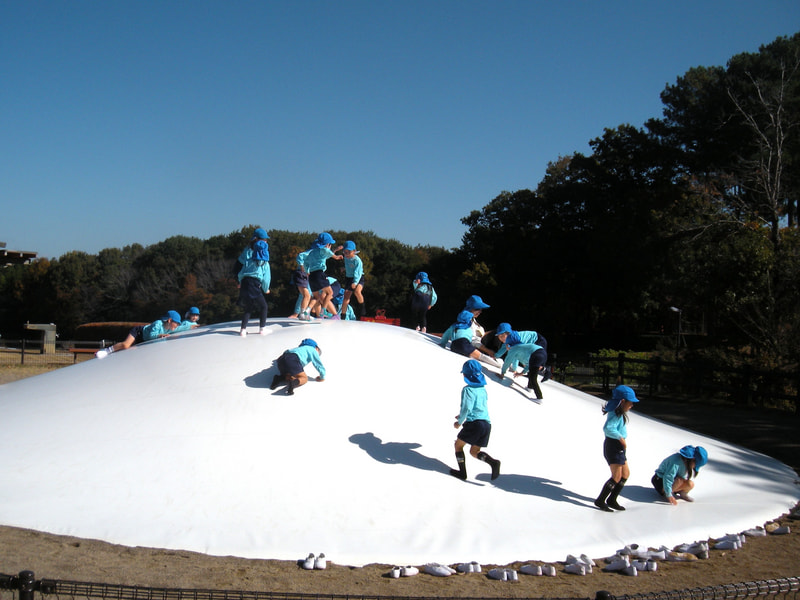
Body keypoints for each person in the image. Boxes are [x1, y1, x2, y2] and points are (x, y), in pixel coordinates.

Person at [449, 359, 501, 481]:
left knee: (458, 445)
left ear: (466, 375)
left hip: (474, 424)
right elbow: (477, 407)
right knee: (474, 451)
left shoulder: (468, 389)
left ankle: (462, 473)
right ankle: (493, 463)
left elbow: (467, 407)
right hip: (486, 424)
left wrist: (459, 422)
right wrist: (462, 415)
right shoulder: (483, 389)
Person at [594, 384, 639, 512]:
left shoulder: (619, 413)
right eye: (630, 403)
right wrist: (621, 439)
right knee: (616, 476)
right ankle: (601, 500)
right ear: (622, 401)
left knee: (625, 474)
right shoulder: (616, 414)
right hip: (613, 446)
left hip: (618, 447)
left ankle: (612, 499)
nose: (632, 405)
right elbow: (608, 428)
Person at [494, 322, 551, 398]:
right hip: (534, 346)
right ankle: (530, 387)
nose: (500, 339)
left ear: (508, 334)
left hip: (538, 341)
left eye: (502, 336)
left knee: (535, 364)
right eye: (499, 336)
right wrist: (495, 355)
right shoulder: (509, 340)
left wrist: (508, 371)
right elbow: (504, 349)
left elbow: (515, 356)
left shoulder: (516, 341)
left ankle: (545, 371)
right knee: (532, 364)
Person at [95, 310, 182, 359]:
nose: (177, 326)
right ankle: (106, 351)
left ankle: (111, 356)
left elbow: (183, 328)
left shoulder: (170, 328)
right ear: (170, 320)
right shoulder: (158, 323)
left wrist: (194, 326)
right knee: (126, 345)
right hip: (138, 332)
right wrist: (159, 335)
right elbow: (151, 335)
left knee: (129, 352)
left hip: (143, 339)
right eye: (177, 323)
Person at [236, 228, 271, 336]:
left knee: (248, 307)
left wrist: (239, 281)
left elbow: (241, 272)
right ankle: (262, 328)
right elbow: (266, 278)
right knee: (264, 306)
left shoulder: (248, 258)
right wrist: (266, 289)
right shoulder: (264, 262)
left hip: (245, 283)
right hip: (254, 284)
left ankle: (243, 329)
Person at [304, 232, 343, 320]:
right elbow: (327, 251)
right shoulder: (323, 250)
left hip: (312, 276)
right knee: (330, 293)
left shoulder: (311, 253)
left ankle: (306, 312)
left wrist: (307, 271)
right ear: (327, 244)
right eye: (329, 244)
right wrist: (336, 257)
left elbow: (306, 263)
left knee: (316, 297)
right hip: (319, 274)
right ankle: (323, 311)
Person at [340, 241, 366, 319]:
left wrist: (355, 282)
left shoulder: (357, 261)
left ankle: (362, 310)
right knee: (346, 296)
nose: (347, 254)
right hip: (349, 278)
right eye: (345, 252)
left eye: (349, 252)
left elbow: (357, 272)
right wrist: (344, 269)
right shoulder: (345, 258)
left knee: (357, 292)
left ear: (354, 251)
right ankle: (343, 316)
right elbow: (349, 267)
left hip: (359, 277)